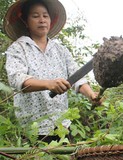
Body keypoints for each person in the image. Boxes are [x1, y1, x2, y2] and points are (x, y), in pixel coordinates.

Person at [4, 0, 100, 142]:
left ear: (51, 19)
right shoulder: (18, 48)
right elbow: (17, 79)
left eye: (45, 16)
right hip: (33, 128)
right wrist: (48, 84)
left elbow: (77, 77)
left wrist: (91, 94)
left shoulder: (61, 50)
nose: (42, 20)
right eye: (35, 16)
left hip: (61, 126)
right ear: (25, 21)